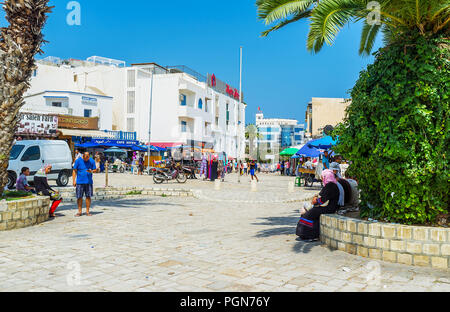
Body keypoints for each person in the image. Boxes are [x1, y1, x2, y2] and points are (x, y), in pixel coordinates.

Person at [296, 170, 340, 241]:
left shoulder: (330, 186)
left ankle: (310, 235)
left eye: (323, 177)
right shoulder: (330, 185)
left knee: (309, 213)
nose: (322, 178)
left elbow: (323, 200)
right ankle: (304, 234)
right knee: (309, 212)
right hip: (327, 206)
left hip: (329, 208)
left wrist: (315, 202)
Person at [73, 152, 98, 217]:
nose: (86, 160)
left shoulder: (91, 161)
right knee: (79, 197)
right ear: (83, 156)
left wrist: (91, 171)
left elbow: (95, 170)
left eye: (88, 158)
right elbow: (74, 170)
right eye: (85, 158)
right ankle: (79, 211)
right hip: (79, 182)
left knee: (88, 196)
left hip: (88, 182)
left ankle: (87, 211)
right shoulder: (78, 160)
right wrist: (74, 180)